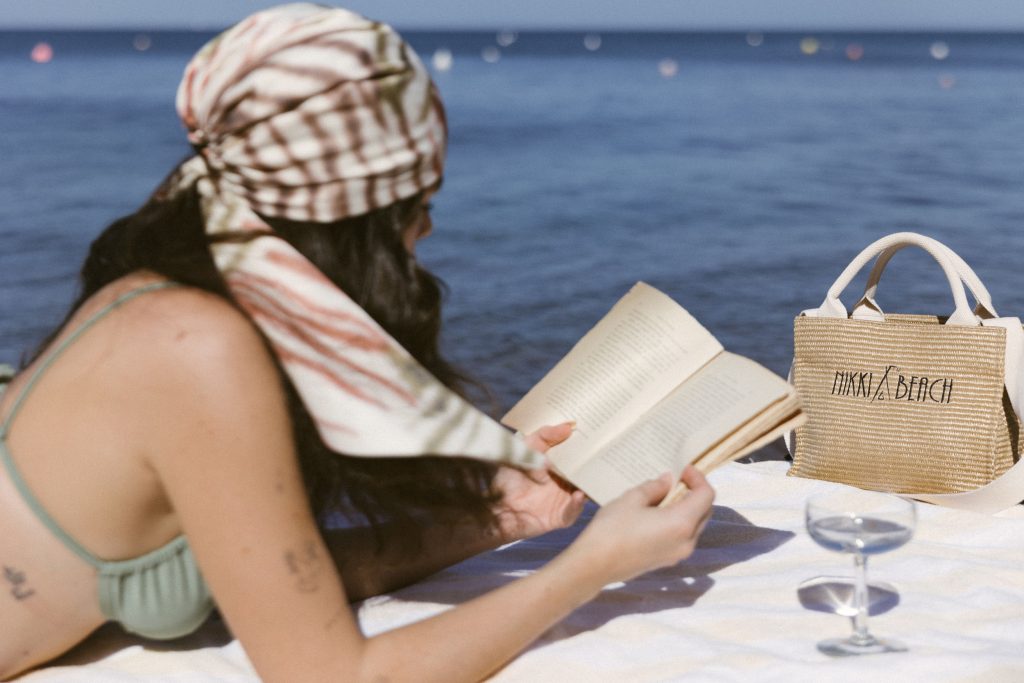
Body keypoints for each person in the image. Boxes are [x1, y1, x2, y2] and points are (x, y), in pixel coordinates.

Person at [0, 4, 715, 681]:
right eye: (418, 203)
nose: (426, 229)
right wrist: (590, 567)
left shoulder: (180, 296)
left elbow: (281, 582)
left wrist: (504, 519)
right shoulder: (197, 346)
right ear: (351, 213)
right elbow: (333, 673)